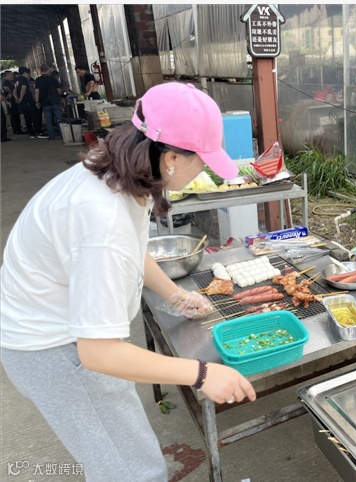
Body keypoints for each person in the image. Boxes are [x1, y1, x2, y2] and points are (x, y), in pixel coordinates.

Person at [0, 82, 257, 481]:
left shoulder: (124, 170)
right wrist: (203, 373)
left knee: (130, 455)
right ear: (171, 157)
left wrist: (176, 295)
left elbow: (135, 248)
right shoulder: (102, 221)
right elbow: (98, 354)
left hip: (65, 329)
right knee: (130, 470)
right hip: (52, 348)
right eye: (202, 161)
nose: (204, 169)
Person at [34, 64, 63, 140]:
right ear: (48, 70)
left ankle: (51, 136)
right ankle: (62, 134)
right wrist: (61, 98)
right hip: (55, 102)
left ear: (40, 70)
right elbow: (59, 90)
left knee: (48, 120)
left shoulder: (38, 80)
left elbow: (37, 92)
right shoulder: (53, 79)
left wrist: (37, 102)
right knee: (59, 119)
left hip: (45, 103)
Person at [14, 67, 42, 138]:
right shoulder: (24, 80)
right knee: (34, 116)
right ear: (24, 73)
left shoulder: (16, 80)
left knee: (27, 117)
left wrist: (17, 98)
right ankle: (37, 131)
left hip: (22, 103)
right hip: (28, 101)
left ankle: (31, 132)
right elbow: (24, 88)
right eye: (28, 73)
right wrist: (21, 98)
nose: (29, 75)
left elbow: (14, 90)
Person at [2, 70, 22, 135]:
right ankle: (17, 130)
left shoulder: (10, 82)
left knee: (15, 115)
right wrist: (11, 93)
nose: (12, 76)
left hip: (12, 100)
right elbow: (6, 88)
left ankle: (17, 129)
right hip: (11, 101)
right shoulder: (6, 82)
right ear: (7, 75)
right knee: (14, 115)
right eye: (11, 74)